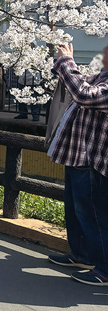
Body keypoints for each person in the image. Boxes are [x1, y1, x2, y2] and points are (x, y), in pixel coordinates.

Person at [47, 43, 108, 286]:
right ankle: (81, 254)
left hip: (93, 158)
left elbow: (83, 94)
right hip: (78, 154)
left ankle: (103, 268)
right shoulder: (102, 75)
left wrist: (66, 61)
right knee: (75, 210)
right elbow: (80, 81)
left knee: (93, 214)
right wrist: (66, 62)